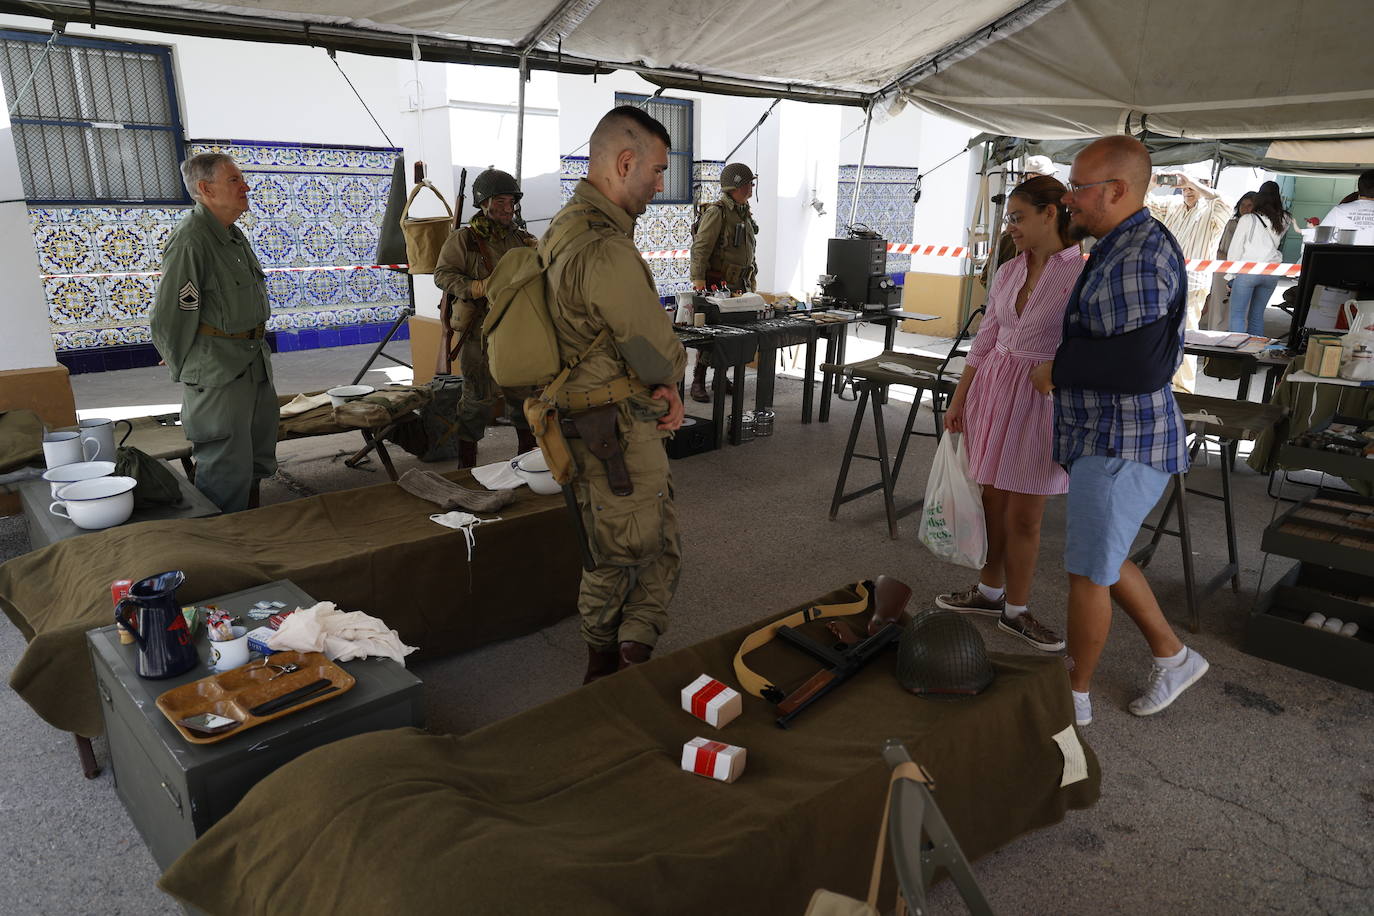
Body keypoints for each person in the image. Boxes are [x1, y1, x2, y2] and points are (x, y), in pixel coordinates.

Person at [1029, 135, 1208, 728]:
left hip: (1120, 440)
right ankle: (1173, 656)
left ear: (1118, 190)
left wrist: (1060, 369)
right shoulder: (1118, 243)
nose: (1068, 198)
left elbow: (1143, 366)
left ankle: (1073, 693)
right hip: (1108, 436)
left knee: (1087, 572)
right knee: (1103, 559)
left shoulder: (1138, 254)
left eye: (1078, 187)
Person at [544, 106, 688, 683]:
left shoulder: (562, 227)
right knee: (641, 547)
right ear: (624, 163)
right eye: (655, 171)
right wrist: (672, 377)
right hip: (618, 427)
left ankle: (617, 656)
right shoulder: (605, 248)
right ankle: (613, 665)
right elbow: (654, 349)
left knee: (610, 538)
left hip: (580, 419)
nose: (659, 184)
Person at [937, 175, 1084, 653]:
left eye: (1019, 218)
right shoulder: (1009, 270)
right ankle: (988, 592)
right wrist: (959, 399)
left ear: (1051, 213)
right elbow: (985, 339)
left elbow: (1086, 345)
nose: (1012, 228)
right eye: (1009, 219)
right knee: (991, 503)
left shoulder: (1080, 275)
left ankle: (1017, 610)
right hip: (994, 393)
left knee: (1025, 515)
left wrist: (1058, 371)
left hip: (1040, 401)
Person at [150, 153, 276, 513]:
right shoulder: (192, 240)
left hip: (251, 361)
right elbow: (171, 314)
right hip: (218, 371)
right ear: (206, 189)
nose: (245, 187)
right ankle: (222, 547)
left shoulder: (231, 235)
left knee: (255, 457)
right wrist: (184, 365)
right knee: (224, 466)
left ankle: (248, 530)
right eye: (235, 180)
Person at [434, 168, 539, 467]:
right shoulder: (464, 240)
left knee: (522, 395)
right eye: (501, 202)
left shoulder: (521, 238)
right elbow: (442, 275)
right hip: (479, 332)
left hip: (517, 331)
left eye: (511, 202)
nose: (508, 208)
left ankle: (527, 461)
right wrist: (474, 287)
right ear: (484, 204)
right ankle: (466, 467)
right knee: (476, 399)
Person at [1146, 170, 1230, 390]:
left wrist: (1193, 181)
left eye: (1192, 187)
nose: (1187, 191)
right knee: (1161, 335)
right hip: (1164, 282)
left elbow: (1224, 201)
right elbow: (1141, 200)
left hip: (1192, 284)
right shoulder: (1173, 205)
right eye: (1184, 186)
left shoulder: (1212, 210)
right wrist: (1153, 182)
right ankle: (1163, 382)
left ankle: (1185, 389)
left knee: (1186, 336)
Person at [687, 161, 758, 402]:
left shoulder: (743, 211)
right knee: (710, 335)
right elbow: (700, 249)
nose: (751, 187)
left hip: (740, 285)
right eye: (748, 183)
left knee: (732, 335)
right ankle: (698, 379)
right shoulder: (717, 212)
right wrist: (699, 282)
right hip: (718, 285)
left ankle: (720, 377)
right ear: (736, 186)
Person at [1226, 180, 1291, 336]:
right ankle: (1254, 354)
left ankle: (1237, 353)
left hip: (1249, 270)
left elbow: (1236, 249)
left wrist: (1230, 275)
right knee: (1256, 316)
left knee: (1238, 315)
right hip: (1272, 271)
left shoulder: (1248, 219)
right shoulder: (1285, 218)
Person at [1202, 192, 1256, 331]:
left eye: (1250, 205)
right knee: (1219, 304)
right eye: (1243, 205)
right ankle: (1213, 337)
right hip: (1223, 269)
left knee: (1239, 307)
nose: (1245, 208)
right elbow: (1215, 245)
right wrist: (1227, 261)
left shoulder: (1256, 228)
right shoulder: (1229, 223)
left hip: (1244, 271)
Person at [1317, 169, 1374, 244]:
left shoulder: (1339, 210)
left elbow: (1320, 240)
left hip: (1344, 255)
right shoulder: (1338, 210)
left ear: (1359, 188)